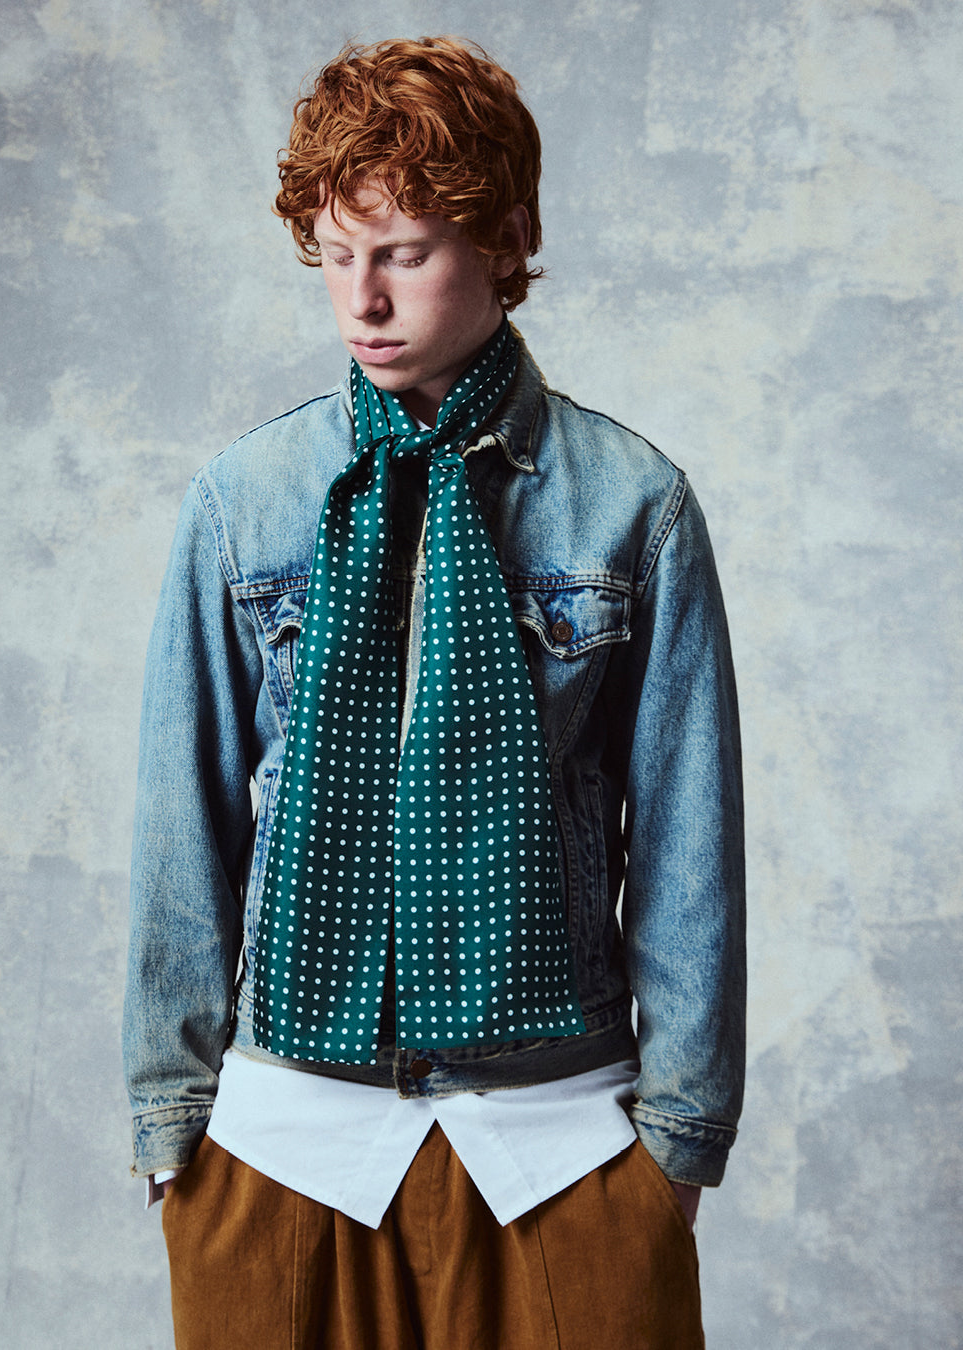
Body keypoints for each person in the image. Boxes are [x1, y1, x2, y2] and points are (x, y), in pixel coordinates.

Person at [123, 35, 744, 1350]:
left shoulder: (633, 505)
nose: (364, 299)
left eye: (403, 251)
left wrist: (677, 1147)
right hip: (286, 1136)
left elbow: (691, 841)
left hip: (558, 1135)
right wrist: (174, 1125)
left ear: (507, 235)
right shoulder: (244, 502)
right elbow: (184, 819)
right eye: (337, 256)